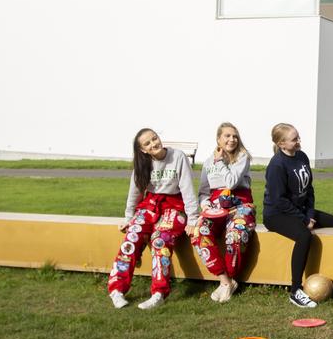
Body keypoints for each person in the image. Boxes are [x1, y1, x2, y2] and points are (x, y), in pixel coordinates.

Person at [107, 128, 199, 310]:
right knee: (132, 237)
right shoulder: (142, 163)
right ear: (143, 149)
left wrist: (193, 218)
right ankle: (117, 288)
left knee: (160, 241)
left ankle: (159, 293)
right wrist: (129, 217)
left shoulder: (178, 157)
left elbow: (188, 189)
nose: (153, 144)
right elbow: (134, 192)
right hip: (150, 205)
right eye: (147, 143)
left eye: (154, 139)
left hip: (175, 206)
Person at [262, 123, 333, 308]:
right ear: (281, 143)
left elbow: (309, 190)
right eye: (294, 139)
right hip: (277, 215)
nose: (299, 141)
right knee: (304, 235)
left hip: (301, 211)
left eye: (298, 137)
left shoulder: (302, 156)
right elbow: (279, 200)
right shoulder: (277, 165)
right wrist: (304, 219)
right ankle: (296, 290)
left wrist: (309, 214)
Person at [191, 122, 254, 304]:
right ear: (218, 139)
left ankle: (231, 277)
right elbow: (203, 190)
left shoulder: (242, 157)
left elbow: (231, 182)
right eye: (227, 136)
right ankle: (225, 280)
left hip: (240, 205)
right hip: (215, 207)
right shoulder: (209, 161)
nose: (232, 139)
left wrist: (220, 162)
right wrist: (204, 204)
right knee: (199, 232)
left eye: (235, 136)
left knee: (236, 234)